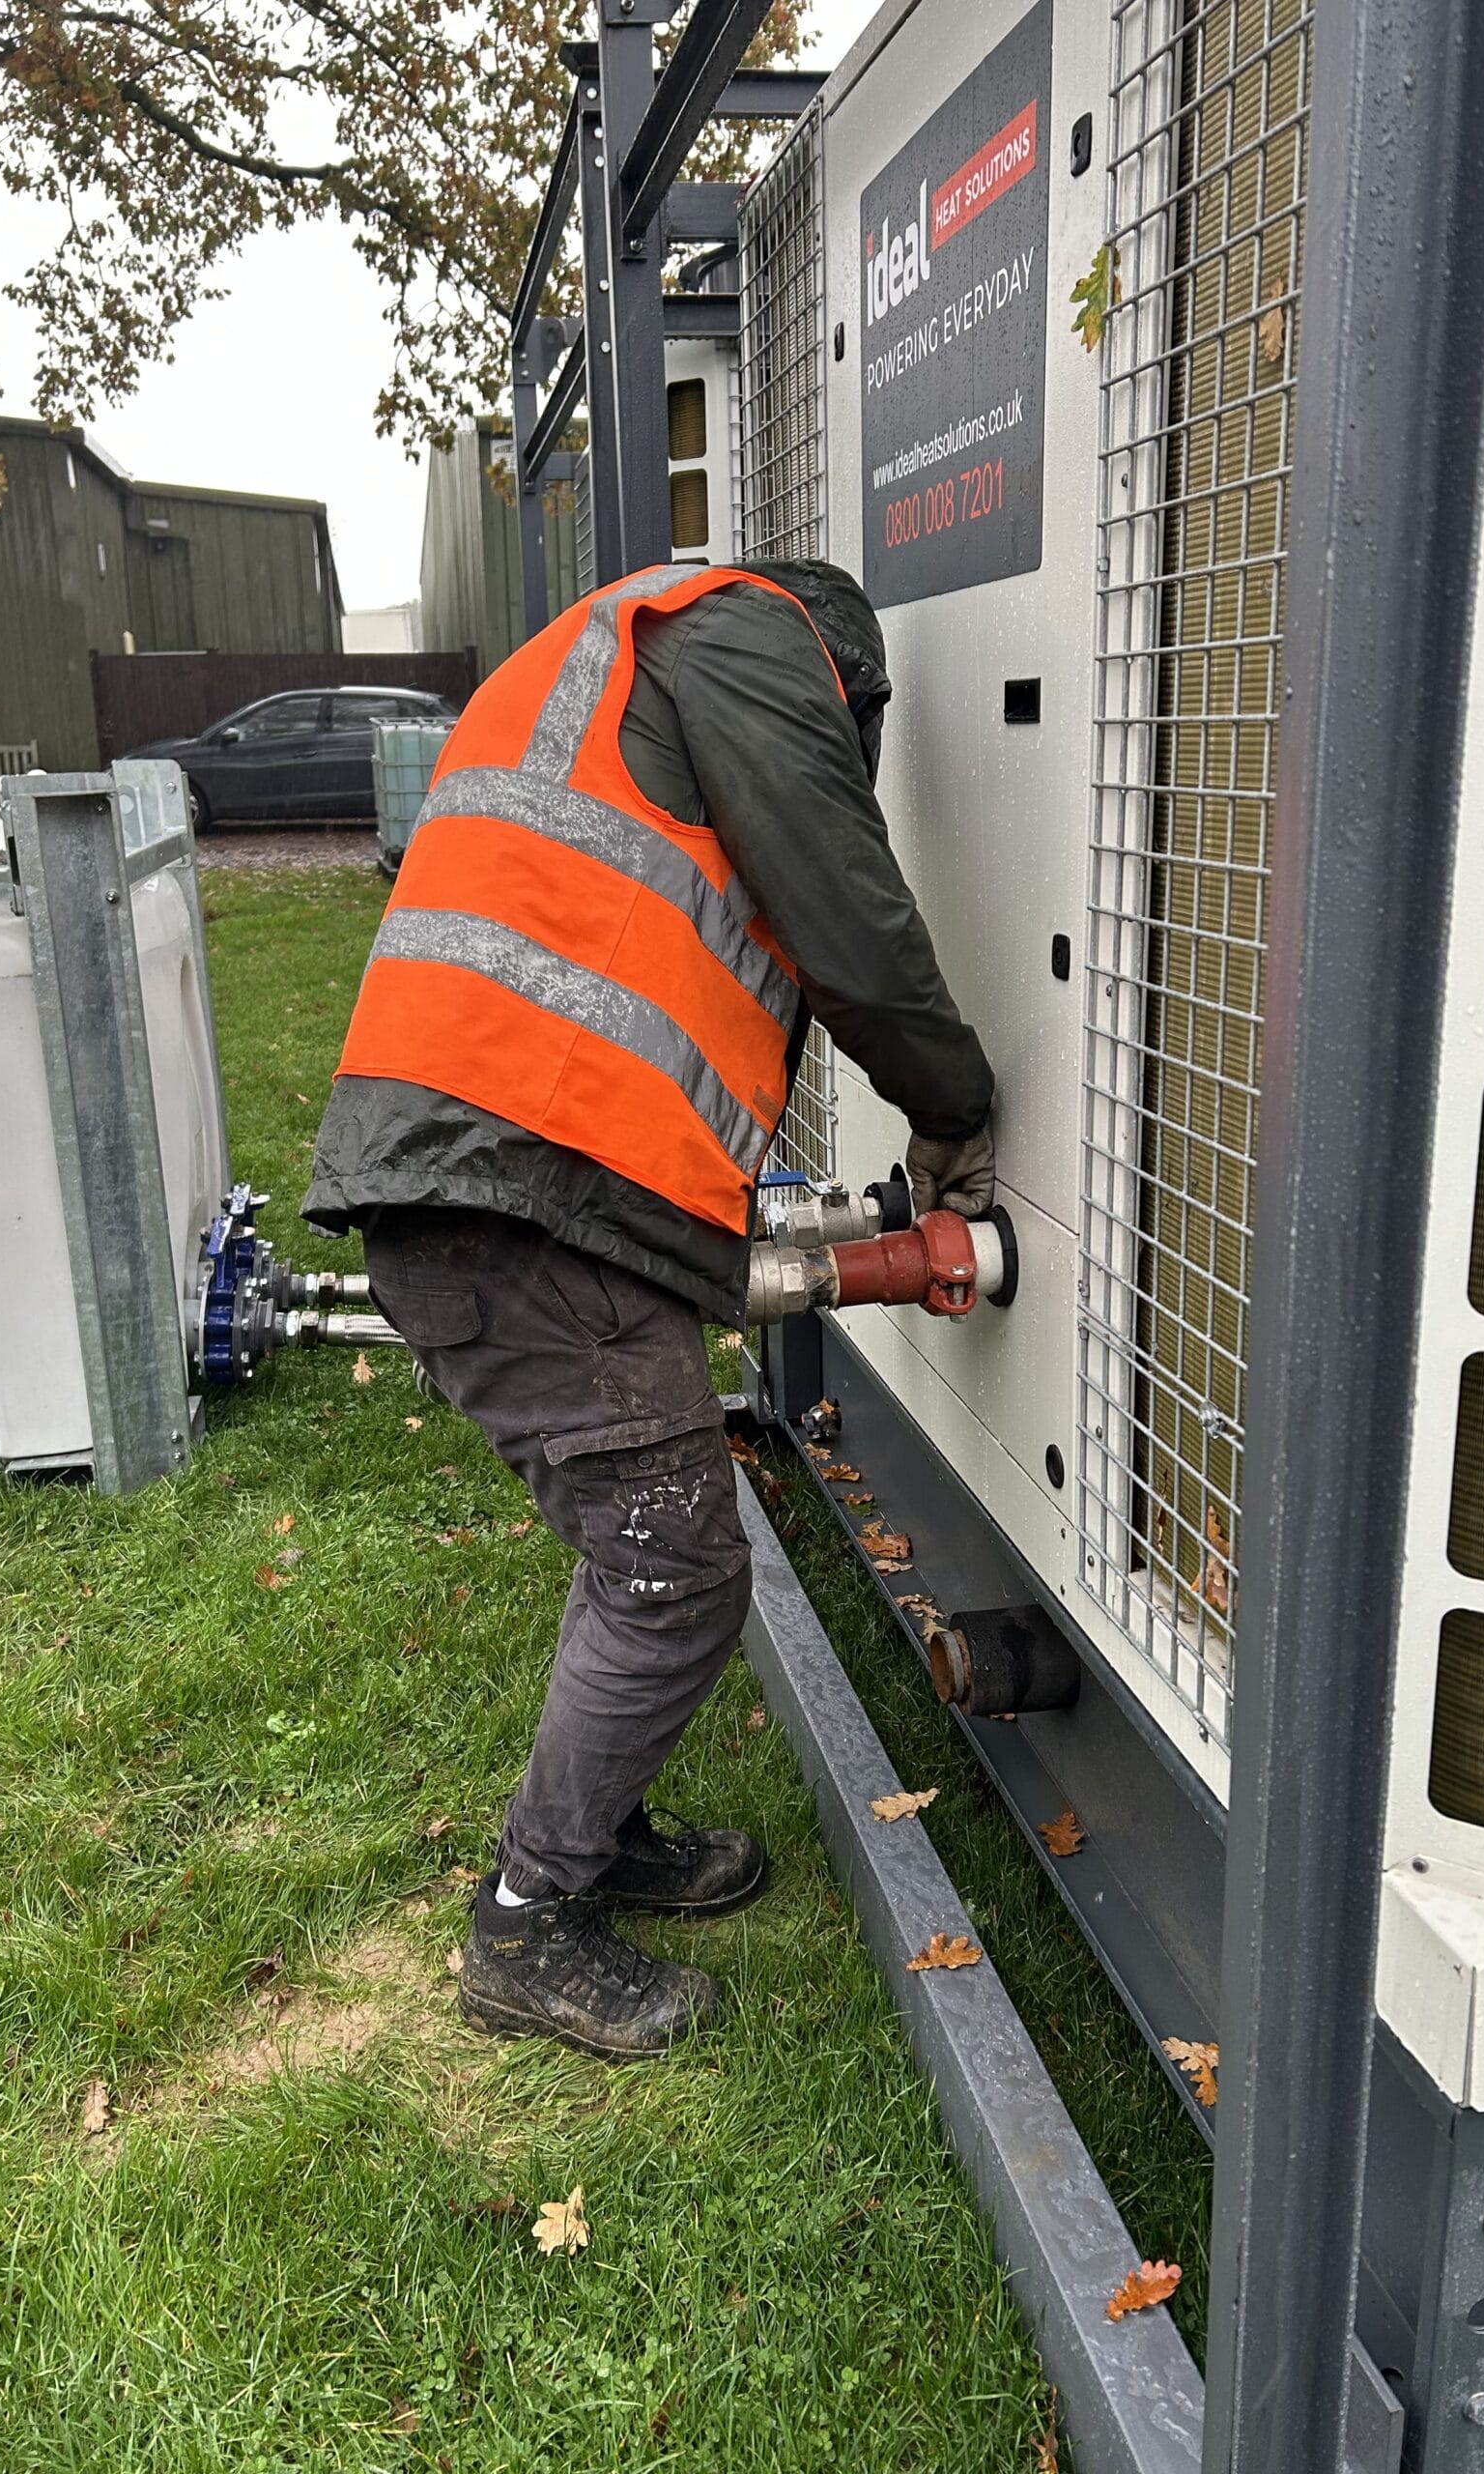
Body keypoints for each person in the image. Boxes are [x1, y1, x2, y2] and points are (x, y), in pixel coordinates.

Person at [304, 559, 994, 2061]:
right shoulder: (749, 642)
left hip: (488, 1170)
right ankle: (527, 1924)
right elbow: (846, 914)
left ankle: (592, 1832)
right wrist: (955, 1107)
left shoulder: (624, 646)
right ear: (850, 682)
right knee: (675, 1571)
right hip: (516, 1181)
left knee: (634, 1542)